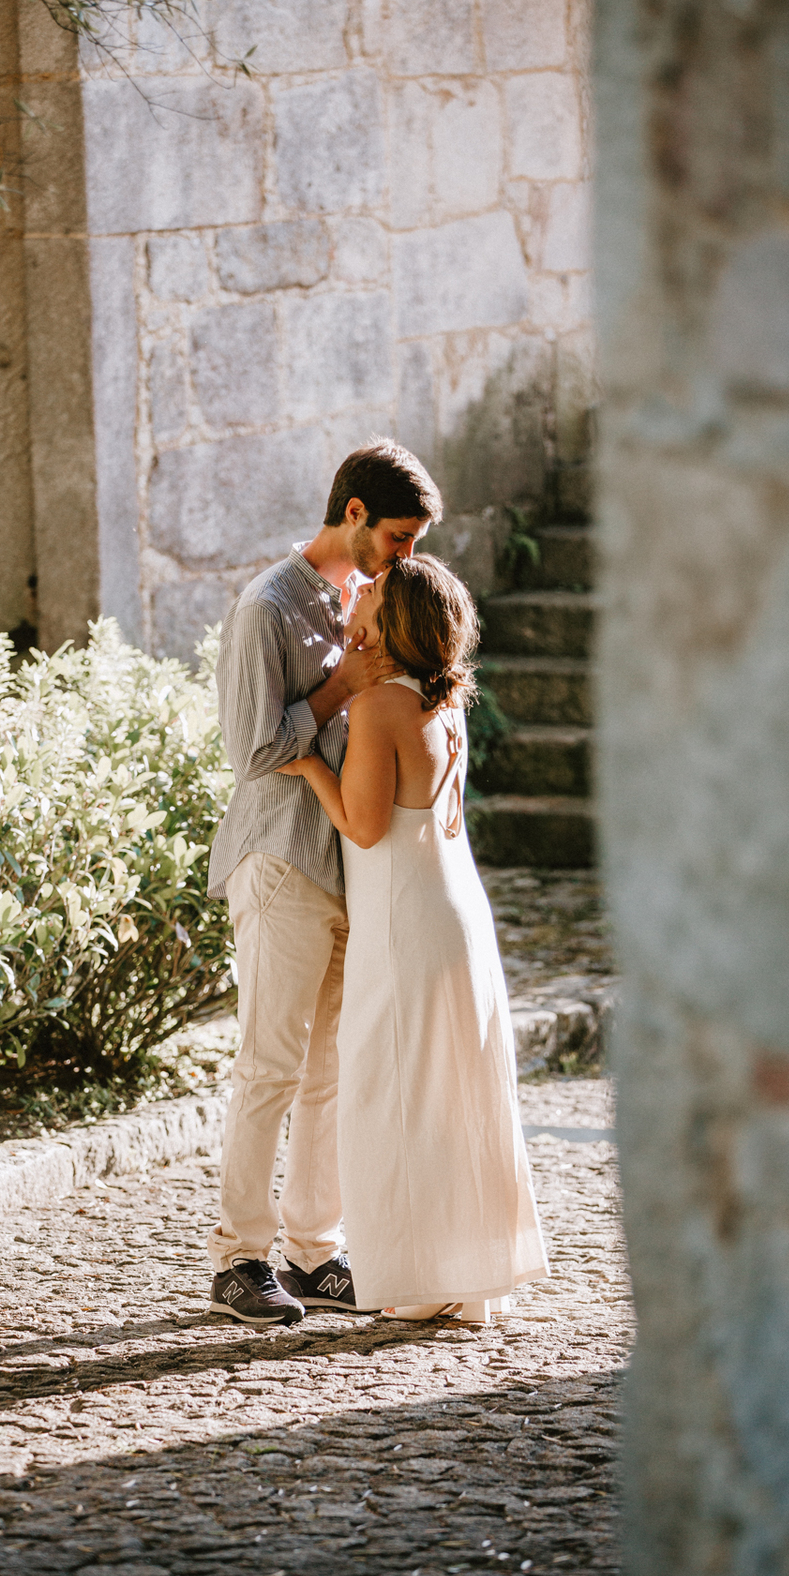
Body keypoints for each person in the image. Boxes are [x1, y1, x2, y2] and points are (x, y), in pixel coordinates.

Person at [205, 441, 442, 1327]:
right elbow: (254, 750)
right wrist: (344, 684)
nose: (405, 555)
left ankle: (313, 1252)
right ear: (353, 514)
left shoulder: (363, 598)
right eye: (400, 536)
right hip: (280, 862)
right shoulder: (266, 606)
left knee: (329, 1073)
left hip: (350, 867)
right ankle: (238, 1260)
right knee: (269, 1066)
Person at [278, 555, 548, 1321]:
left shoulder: (379, 707)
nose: (360, 593)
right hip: (456, 911)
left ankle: (415, 1281)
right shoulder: (442, 699)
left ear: (395, 621)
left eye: (375, 594)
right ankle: (460, 1274)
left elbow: (364, 826)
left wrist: (308, 767)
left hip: (404, 923)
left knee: (393, 1092)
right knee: (450, 1096)